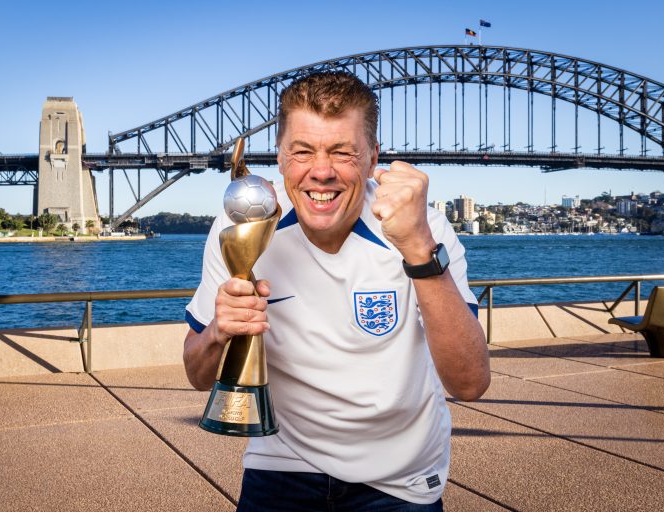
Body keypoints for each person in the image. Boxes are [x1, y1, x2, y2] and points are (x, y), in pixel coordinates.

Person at [184, 71, 490, 511]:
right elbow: (196, 377)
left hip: (400, 479)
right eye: (303, 151)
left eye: (343, 152)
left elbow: (470, 383)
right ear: (281, 158)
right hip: (281, 461)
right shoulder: (240, 229)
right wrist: (219, 331)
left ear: (372, 160)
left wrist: (419, 249)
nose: (321, 171)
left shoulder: (424, 229)